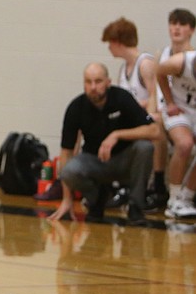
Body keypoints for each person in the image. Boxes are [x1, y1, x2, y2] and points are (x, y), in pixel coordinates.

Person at [49, 62, 157, 224]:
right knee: (68, 171)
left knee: (145, 147)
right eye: (88, 82)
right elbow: (66, 152)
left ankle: (135, 205)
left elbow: (154, 131)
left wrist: (117, 135)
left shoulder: (122, 98)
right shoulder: (76, 107)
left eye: (98, 81)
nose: (93, 87)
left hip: (125, 161)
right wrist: (67, 199)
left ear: (108, 82)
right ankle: (97, 199)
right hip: (95, 162)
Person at [101, 17, 158, 208]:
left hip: (149, 118)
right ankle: (114, 185)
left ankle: (149, 188)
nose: (109, 48)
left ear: (117, 41)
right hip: (132, 118)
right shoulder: (124, 68)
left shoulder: (145, 64)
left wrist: (145, 116)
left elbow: (155, 96)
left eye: (110, 43)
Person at [153, 16, 196, 220]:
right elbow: (158, 72)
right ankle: (174, 197)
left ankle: (187, 197)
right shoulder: (181, 62)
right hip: (179, 108)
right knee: (185, 144)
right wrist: (169, 102)